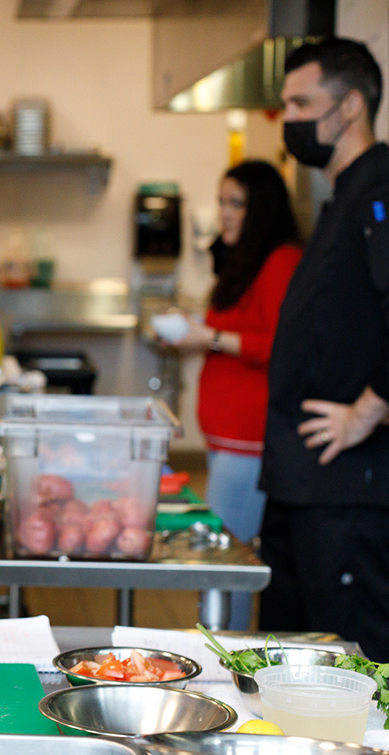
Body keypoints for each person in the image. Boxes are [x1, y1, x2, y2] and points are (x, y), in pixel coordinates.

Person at [259, 37, 389, 661]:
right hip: (303, 482)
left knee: (357, 667)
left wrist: (368, 408)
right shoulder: (342, 197)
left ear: (351, 107)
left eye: (302, 102)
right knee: (292, 658)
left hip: (347, 493)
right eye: (285, 104)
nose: (290, 119)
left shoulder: (379, 189)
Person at [162, 160, 302, 631]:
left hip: (250, 438)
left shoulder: (281, 260)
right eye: (222, 202)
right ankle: (227, 647)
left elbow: (281, 343)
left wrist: (210, 338)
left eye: (235, 203)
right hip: (227, 440)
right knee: (225, 559)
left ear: (261, 208)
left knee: (225, 562)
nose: (224, 213)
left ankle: (227, 655)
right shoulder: (244, 261)